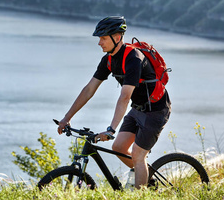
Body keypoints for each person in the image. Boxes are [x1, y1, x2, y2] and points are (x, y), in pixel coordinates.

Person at [57, 16, 171, 189]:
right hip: (138, 108)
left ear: (117, 38)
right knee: (118, 147)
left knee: (138, 156)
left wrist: (111, 129)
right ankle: (147, 180)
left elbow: (125, 96)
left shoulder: (134, 58)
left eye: (103, 38)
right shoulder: (109, 59)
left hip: (156, 110)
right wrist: (67, 117)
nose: (99, 43)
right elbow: (89, 90)